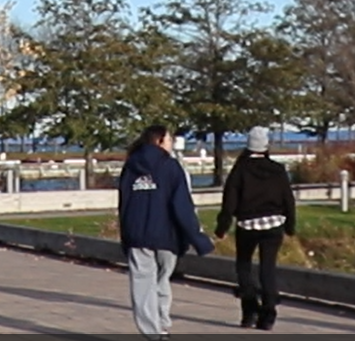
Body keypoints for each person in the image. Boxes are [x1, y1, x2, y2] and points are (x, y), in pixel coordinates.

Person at [118, 124, 215, 337]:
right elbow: (182, 206)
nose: (171, 144)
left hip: (138, 235)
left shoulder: (130, 167)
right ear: (160, 141)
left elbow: (124, 205)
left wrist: (125, 236)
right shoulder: (171, 167)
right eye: (169, 140)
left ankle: (153, 330)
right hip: (166, 235)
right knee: (161, 281)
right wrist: (198, 239)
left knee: (143, 285)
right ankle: (160, 325)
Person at [216, 125, 295, 330]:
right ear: (266, 146)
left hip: (248, 224)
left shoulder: (240, 170)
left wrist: (222, 227)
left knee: (244, 266)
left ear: (248, 146)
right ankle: (268, 313)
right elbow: (288, 199)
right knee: (268, 268)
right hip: (274, 224)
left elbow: (229, 202)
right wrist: (290, 226)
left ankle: (249, 310)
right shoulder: (278, 170)